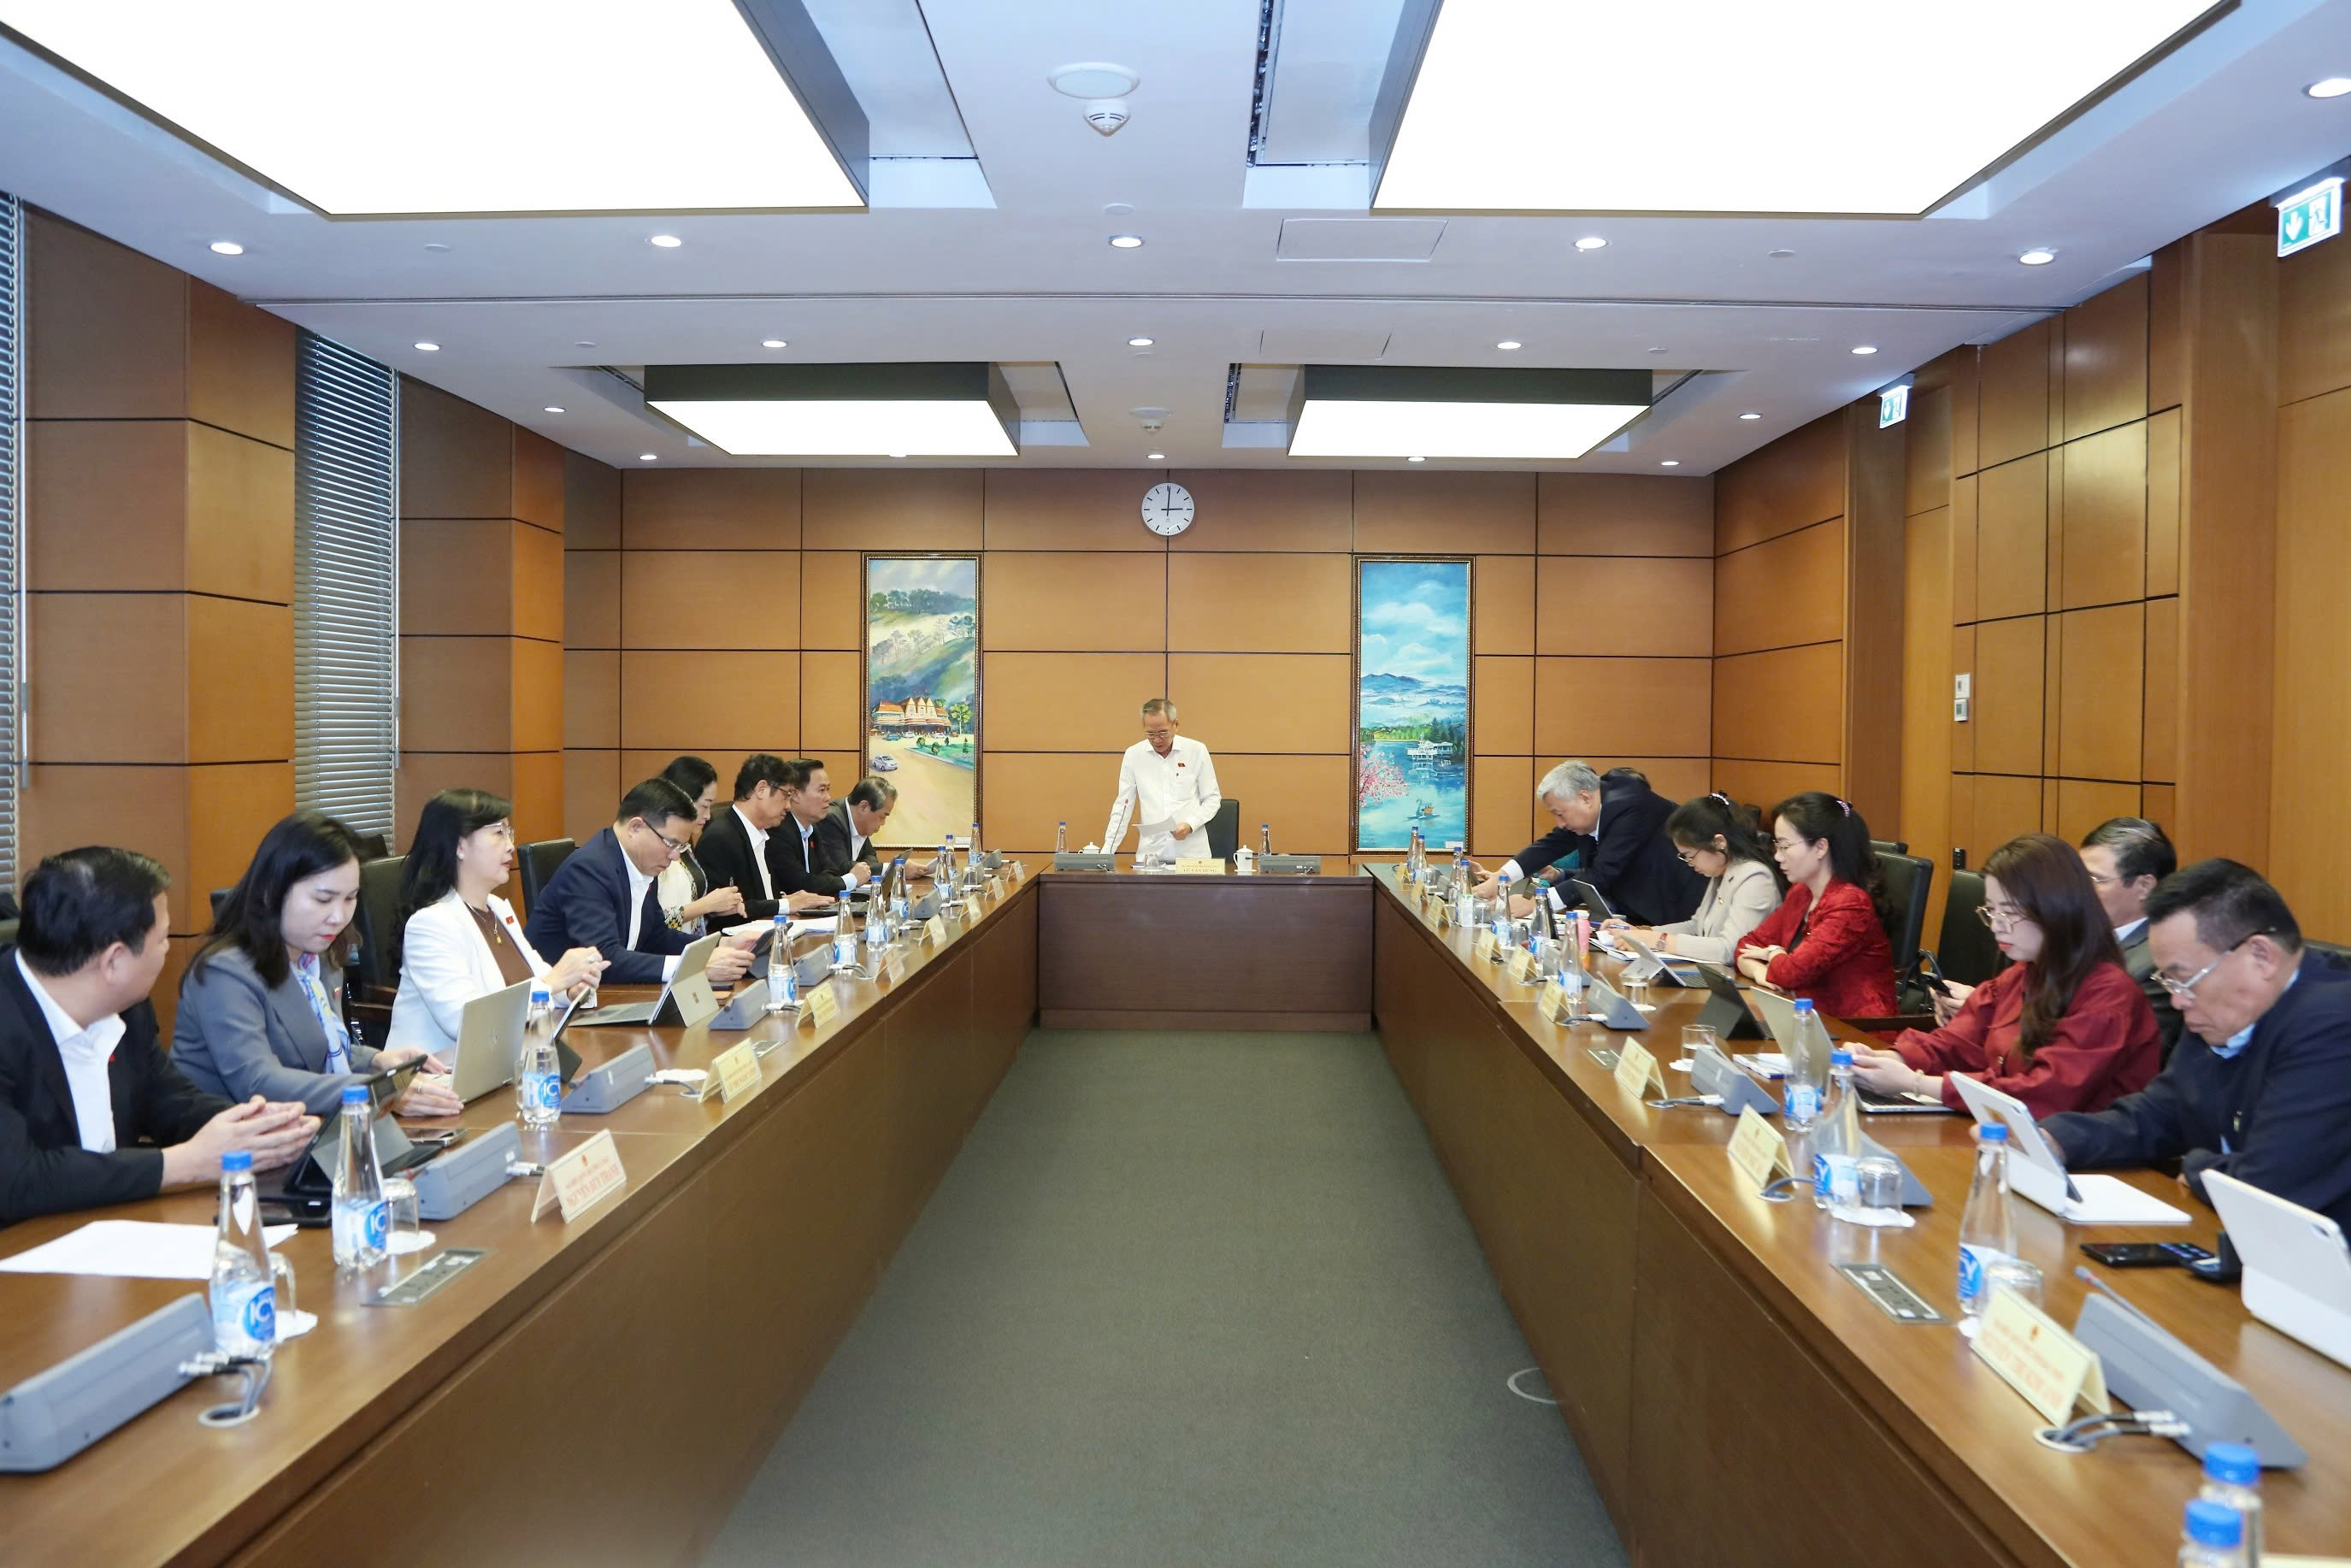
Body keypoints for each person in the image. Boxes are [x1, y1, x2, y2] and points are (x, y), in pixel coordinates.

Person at [0, 846, 317, 1227]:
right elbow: (17, 1180)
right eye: (163, 938)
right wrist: (182, 1164)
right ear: (114, 961)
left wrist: (262, 1131)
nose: (168, 949)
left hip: (109, 1226)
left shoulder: (127, 1008)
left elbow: (169, 1102)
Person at [2039, 859, 2351, 1230]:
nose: (2177, 1000)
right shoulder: (2219, 1013)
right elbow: (2160, 1114)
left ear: (2261, 956)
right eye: (2169, 981)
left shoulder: (2333, 1022)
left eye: (2183, 978)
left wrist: (2198, 1167)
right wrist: (2057, 1138)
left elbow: (2268, 1187)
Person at [171, 812, 463, 1118]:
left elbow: (317, 1047)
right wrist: (378, 1089)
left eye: (350, 898)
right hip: (240, 1139)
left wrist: (376, 1062)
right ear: (272, 891)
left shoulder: (320, 956)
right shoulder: (225, 974)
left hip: (315, 1125)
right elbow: (259, 1082)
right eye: (324, 900)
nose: (339, 917)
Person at [1845, 834, 2160, 1117]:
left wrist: (1916, 1083)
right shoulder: (2022, 974)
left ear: (2055, 909)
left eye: (2008, 912)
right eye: (1991, 911)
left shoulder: (2108, 992)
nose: (1996, 926)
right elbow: (1955, 1043)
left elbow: (2043, 1094)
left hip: (2086, 1154)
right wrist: (1888, 1059)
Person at [388, 789, 608, 1060]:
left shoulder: (498, 908)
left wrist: (570, 989)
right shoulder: (431, 924)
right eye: (498, 833)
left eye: (509, 833)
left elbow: (538, 980)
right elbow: (465, 1021)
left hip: (504, 1061)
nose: (510, 845)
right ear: (459, 846)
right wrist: (554, 981)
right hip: (439, 1075)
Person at [524, 778, 757, 988]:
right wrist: (694, 966)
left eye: (681, 847)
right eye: (671, 843)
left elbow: (656, 936)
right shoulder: (589, 869)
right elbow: (604, 958)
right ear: (635, 827)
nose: (675, 856)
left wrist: (721, 945)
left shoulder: (642, 863)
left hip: (611, 994)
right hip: (557, 1006)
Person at [1733, 791, 1900, 1017]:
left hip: (1855, 1029)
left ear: (1820, 847)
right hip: (1803, 1016)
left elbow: (1791, 974)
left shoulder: (1851, 904)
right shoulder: (1802, 892)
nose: (1777, 856)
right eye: (1776, 845)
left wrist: (1772, 953)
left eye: (1785, 846)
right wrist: (1759, 972)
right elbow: (1745, 946)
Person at [1476, 763, 1701, 928]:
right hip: (1642, 912)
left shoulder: (1630, 807)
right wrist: (1500, 878)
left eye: (1560, 814)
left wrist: (1536, 904)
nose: (1560, 823)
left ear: (1585, 798)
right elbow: (1550, 845)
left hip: (1679, 908)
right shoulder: (1595, 805)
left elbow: (1601, 874)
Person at [1610, 793, 1780, 963]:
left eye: (1690, 855)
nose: (1689, 863)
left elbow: (1729, 950)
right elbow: (1696, 927)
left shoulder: (1755, 878)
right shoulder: (1721, 869)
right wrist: (1642, 933)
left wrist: (1658, 941)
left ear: (1719, 842)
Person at [2079, 816, 2184, 1061]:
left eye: (2094, 880)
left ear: (2144, 886)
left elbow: (2127, 1055)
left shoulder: (2160, 963)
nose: (2080, 890)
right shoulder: (2073, 937)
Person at [698, 754, 834, 921]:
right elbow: (720, 910)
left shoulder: (761, 833)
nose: (788, 806)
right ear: (761, 789)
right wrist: (784, 904)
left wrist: (786, 899)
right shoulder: (719, 839)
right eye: (786, 796)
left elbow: (762, 899)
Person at [1102, 698, 1222, 864]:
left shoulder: (1196, 751)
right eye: (1150, 734)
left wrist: (1190, 824)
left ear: (1176, 725)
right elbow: (1123, 805)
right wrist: (1106, 853)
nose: (1157, 740)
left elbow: (1212, 799)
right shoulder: (1134, 755)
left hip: (1192, 857)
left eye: (1163, 733)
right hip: (1151, 857)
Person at [653, 756, 746, 939]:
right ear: (683, 799)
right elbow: (653, 924)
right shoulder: (655, 851)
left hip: (688, 947)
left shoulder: (685, 845)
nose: (708, 815)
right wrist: (706, 905)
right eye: (704, 806)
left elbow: (691, 910)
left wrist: (718, 907)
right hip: (663, 952)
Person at [773, 757, 873, 897]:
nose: (828, 797)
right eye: (822, 790)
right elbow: (800, 884)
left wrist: (828, 882)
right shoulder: (778, 831)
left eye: (828, 789)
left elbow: (831, 871)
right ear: (795, 794)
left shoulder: (813, 829)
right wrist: (851, 879)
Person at [817, 776, 897, 882]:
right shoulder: (830, 819)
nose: (883, 823)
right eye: (883, 816)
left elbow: (870, 855)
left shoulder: (861, 824)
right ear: (864, 807)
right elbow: (840, 868)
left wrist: (864, 868)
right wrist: (891, 868)